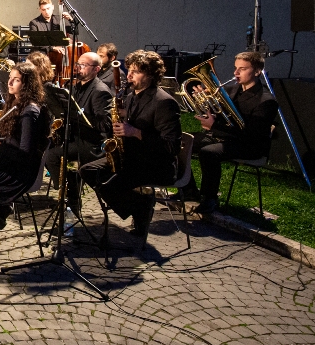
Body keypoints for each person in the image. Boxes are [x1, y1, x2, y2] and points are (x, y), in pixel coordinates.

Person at [80, 50, 180, 236]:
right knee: (88, 170)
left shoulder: (164, 102)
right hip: (132, 156)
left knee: (110, 185)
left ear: (151, 75)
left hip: (156, 163)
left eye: (136, 71)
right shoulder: (132, 95)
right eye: (130, 70)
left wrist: (136, 132)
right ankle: (138, 204)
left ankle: (141, 206)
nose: (130, 75)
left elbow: (171, 146)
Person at [189, 51, 278, 214]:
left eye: (242, 69)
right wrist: (204, 101)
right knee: (181, 140)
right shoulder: (232, 89)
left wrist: (214, 126)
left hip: (249, 145)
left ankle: (210, 199)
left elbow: (252, 134)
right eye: (235, 68)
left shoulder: (266, 101)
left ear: (257, 72)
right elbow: (219, 114)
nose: (235, 73)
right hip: (225, 136)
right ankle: (189, 191)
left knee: (209, 152)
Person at [0, 62, 52, 260]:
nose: (9, 82)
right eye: (10, 78)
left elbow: (25, 155)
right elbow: (10, 137)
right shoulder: (16, 106)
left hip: (21, 172)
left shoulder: (30, 112)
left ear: (27, 84)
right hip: (9, 164)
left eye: (16, 80)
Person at [42, 51, 113, 218]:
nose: (78, 68)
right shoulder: (74, 87)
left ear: (96, 69)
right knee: (46, 147)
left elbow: (104, 124)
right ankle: (68, 190)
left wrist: (78, 116)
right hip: (75, 136)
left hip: (91, 143)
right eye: (78, 64)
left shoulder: (100, 91)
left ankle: (69, 194)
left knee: (51, 155)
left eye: (83, 65)